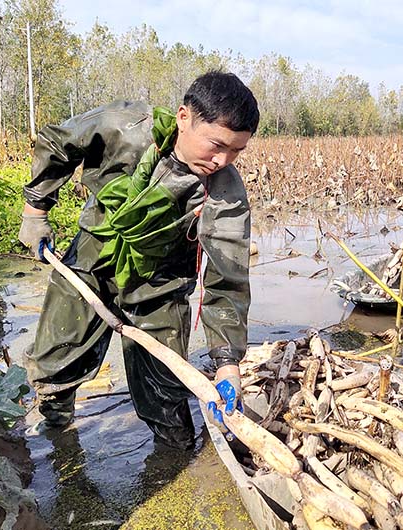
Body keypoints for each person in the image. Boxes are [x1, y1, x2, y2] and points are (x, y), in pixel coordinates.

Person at [17, 71, 258, 449]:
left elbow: (226, 280)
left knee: (166, 402)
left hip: (161, 285)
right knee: (54, 367)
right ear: (184, 118)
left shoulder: (225, 193)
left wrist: (227, 362)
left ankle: (174, 455)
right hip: (91, 263)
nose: (222, 160)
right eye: (216, 145)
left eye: (236, 151)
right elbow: (58, 143)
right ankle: (57, 441)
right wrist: (35, 211)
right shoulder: (125, 127)